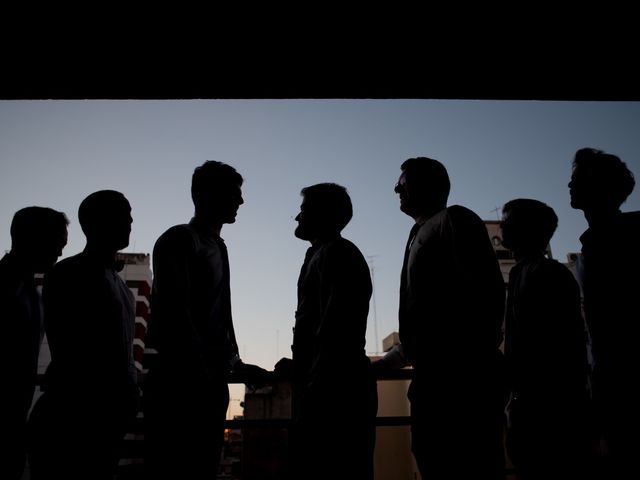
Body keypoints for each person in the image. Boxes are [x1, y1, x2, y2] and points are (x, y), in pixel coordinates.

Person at [374, 157, 506, 480]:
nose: (396, 188)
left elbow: (485, 297)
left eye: (402, 183)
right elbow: (422, 318)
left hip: (460, 386)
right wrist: (390, 361)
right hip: (434, 381)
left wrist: (467, 366)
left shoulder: (455, 221)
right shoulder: (418, 232)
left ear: (427, 186)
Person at [143, 160, 267, 479]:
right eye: (233, 193)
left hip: (207, 382)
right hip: (182, 384)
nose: (240, 201)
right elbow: (174, 312)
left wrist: (234, 363)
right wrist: (203, 370)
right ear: (204, 195)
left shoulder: (217, 246)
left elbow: (218, 316)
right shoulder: (180, 239)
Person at [28, 190, 139, 480]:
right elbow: (70, 349)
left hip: (108, 418)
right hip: (73, 418)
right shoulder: (66, 274)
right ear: (94, 222)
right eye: (122, 213)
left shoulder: (124, 289)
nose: (130, 220)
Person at [275, 183, 377, 480]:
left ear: (324, 214)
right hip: (330, 388)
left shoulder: (338, 254)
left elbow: (337, 330)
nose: (297, 217)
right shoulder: (325, 254)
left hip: (335, 396)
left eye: (304, 210)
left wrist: (312, 383)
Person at [500, 198, 592, 479]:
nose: (503, 226)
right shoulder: (522, 273)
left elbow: (568, 346)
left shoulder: (547, 274)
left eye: (509, 220)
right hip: (531, 407)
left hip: (549, 412)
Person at [568, 147, 640, 477]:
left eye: (578, 179)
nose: (570, 184)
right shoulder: (590, 246)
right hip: (607, 386)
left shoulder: (625, 240)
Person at [0, 207, 68, 480]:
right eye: (57, 243)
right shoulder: (7, 288)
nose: (61, 252)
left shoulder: (34, 293)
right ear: (32, 239)